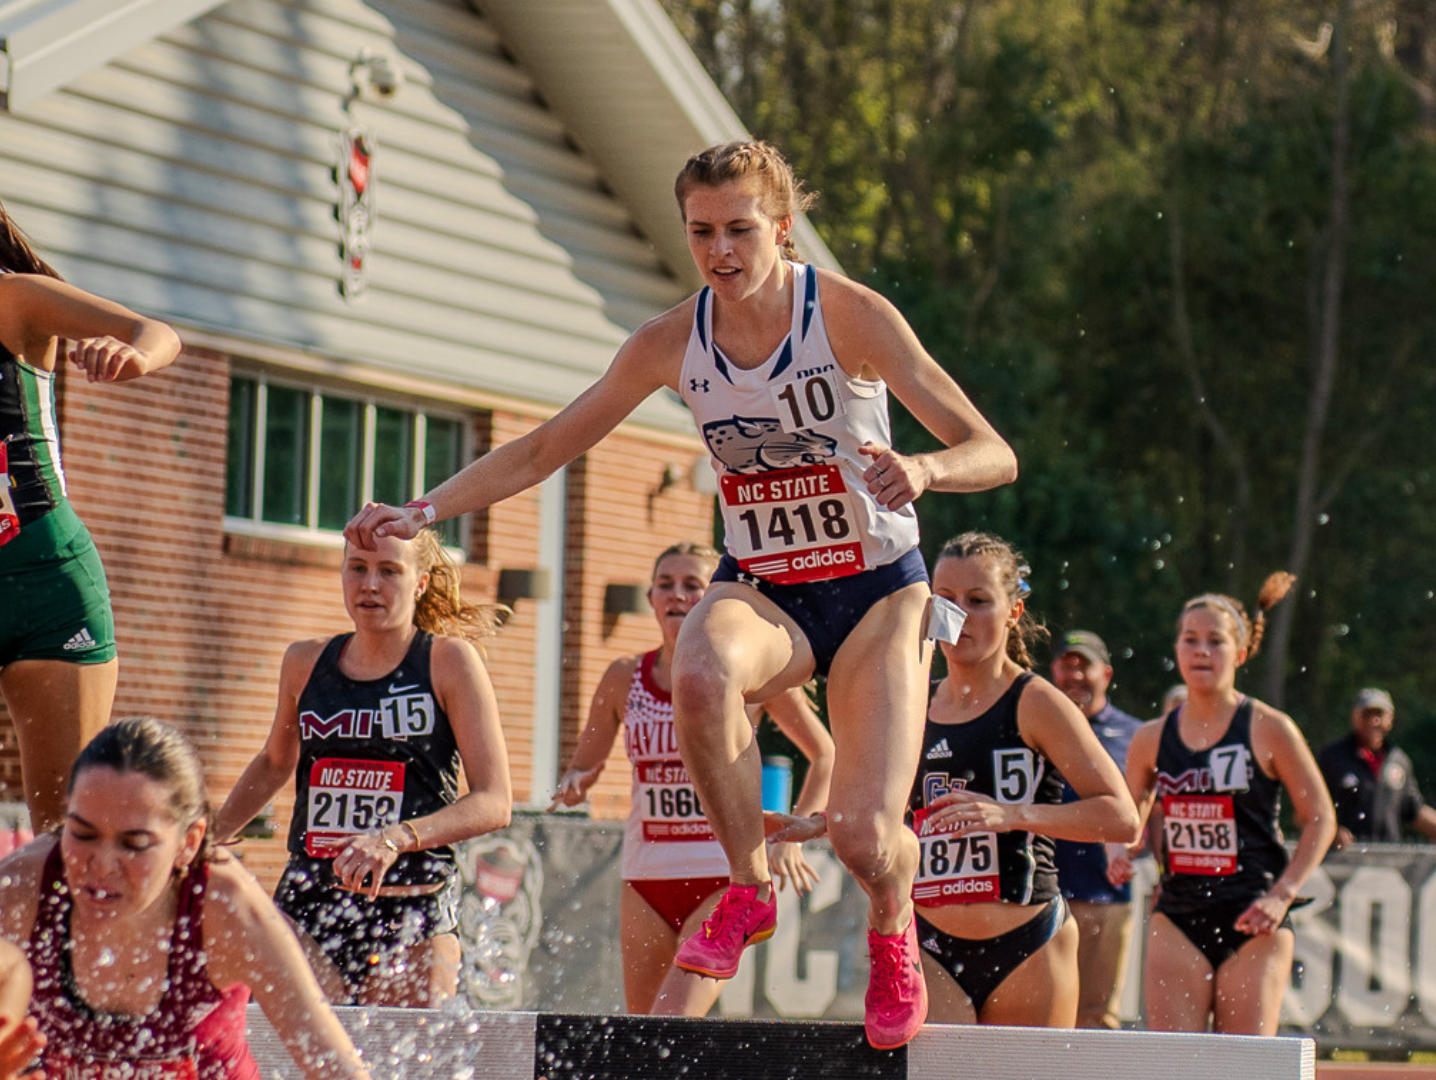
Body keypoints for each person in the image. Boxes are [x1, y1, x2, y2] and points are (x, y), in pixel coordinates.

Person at [345, 140, 1015, 1048]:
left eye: (742, 229)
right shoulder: (671, 342)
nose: (722, 252)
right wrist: (422, 510)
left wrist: (926, 469)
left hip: (876, 593)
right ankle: (748, 885)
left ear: (781, 227)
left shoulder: (850, 316)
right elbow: (545, 449)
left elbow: (993, 449)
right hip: (770, 589)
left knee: (863, 836)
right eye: (702, 232)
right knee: (696, 669)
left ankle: (892, 921)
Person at [211, 530, 513, 1007]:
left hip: (409, 905)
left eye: (389, 571)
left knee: (397, 1066)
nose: (370, 584)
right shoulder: (305, 661)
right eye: (358, 568)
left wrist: (393, 838)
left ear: (420, 583)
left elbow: (494, 802)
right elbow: (274, 763)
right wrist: (207, 840)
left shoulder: (449, 662)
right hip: (311, 901)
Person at [550, 542, 835, 1016]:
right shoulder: (625, 676)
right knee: (647, 1036)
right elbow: (587, 760)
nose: (678, 596)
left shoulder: (740, 676)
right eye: (666, 585)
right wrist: (576, 781)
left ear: (713, 601)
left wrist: (794, 837)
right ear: (651, 599)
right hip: (646, 877)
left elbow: (824, 753)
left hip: (726, 876)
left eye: (692, 586)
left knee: (673, 1017)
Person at [0, 718, 369, 1080]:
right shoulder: (23, 889)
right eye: (82, 833)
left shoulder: (225, 906)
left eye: (135, 844)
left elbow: (338, 1068)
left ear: (188, 843)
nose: (102, 864)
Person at [896, 533, 1135, 1028]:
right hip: (930, 941)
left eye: (979, 601)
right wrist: (813, 824)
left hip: (1027, 941)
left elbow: (1122, 817)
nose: (959, 615)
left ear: (1014, 612)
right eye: (946, 600)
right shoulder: (910, 701)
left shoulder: (1036, 701)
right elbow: (879, 808)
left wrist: (1012, 815)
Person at [0, 202, 182, 831]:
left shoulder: (17, 299)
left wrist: (133, 354)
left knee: (67, 839)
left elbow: (156, 332)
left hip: (49, 584)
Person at [1107, 576, 1334, 1035]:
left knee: (1241, 1066)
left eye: (1216, 641)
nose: (1201, 651)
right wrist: (1117, 851)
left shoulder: (1270, 729)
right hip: (1178, 914)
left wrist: (1282, 895)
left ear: (1241, 653)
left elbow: (1320, 819)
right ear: (1176, 650)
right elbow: (1125, 816)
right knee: (1176, 1067)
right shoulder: (1151, 738)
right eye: (1190, 640)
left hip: (1253, 915)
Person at [1046, 628, 1145, 1030]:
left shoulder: (1134, 734)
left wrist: (1138, 847)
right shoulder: (1038, 721)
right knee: (1042, 1013)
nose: (1074, 676)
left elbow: (1148, 807)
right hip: (1039, 891)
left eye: (1083, 666)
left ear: (1106, 673)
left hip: (1105, 893)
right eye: (1066, 666)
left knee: (1096, 1016)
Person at [1316, 688, 1436, 852]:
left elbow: (1415, 812)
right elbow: (1306, 811)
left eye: (1379, 714)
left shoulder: (1398, 760)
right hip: (1340, 863)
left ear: (1390, 719)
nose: (1373, 721)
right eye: (1366, 714)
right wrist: (1330, 832)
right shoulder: (1333, 756)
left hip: (1386, 864)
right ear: (1355, 718)